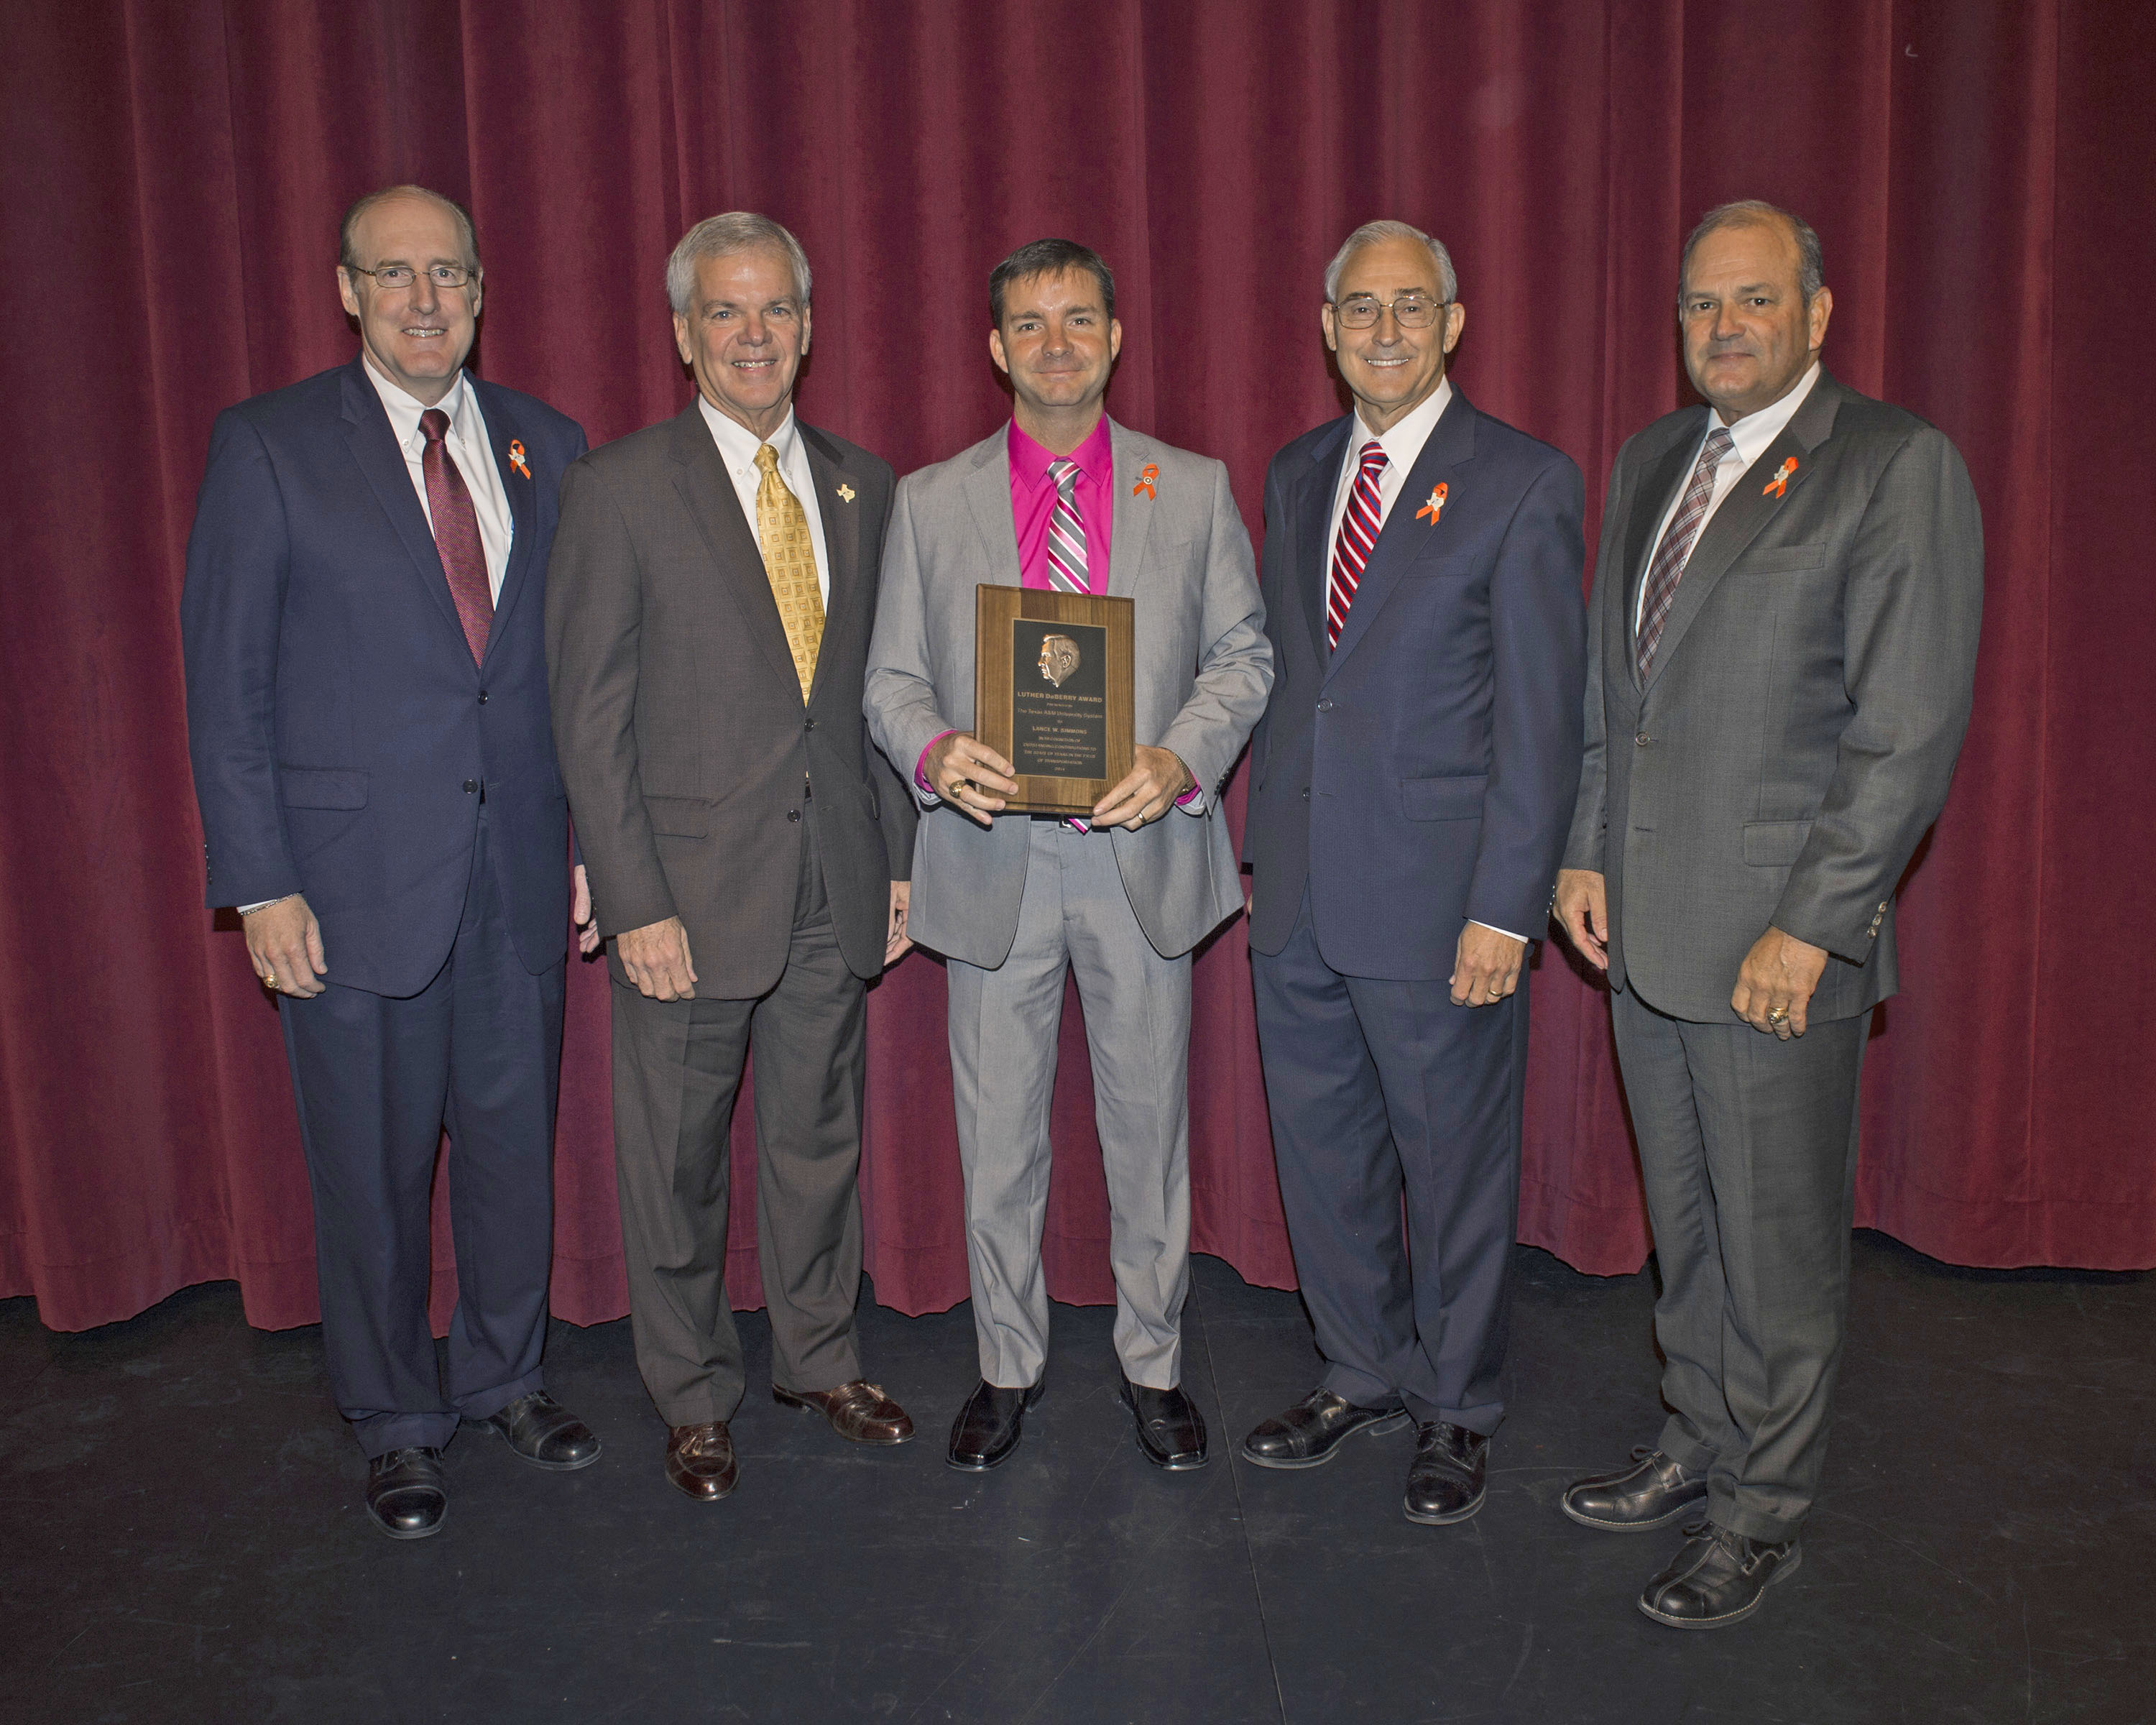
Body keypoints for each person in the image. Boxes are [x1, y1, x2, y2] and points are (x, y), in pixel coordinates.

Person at [1553, 200, 1983, 1627]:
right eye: (1700, 306)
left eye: (1752, 301)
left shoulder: (1891, 465)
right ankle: (1698, 1440)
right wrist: (1581, 852)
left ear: (1817, 309)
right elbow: (1620, 699)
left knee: (1778, 1244)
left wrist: (1816, 927)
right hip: (1642, 932)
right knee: (1690, 1227)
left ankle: (1765, 1508)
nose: (1724, 329)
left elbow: (1904, 733)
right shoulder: (1653, 458)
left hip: (1771, 950)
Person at [182, 185, 601, 1541]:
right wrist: (259, 881)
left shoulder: (550, 443)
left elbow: (576, 679)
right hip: (347, 889)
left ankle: (503, 1374)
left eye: (450, 276)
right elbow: (225, 687)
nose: (427, 301)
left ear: (483, 290)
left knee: (508, 1149)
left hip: (520, 871)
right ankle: (396, 1416)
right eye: (396, 275)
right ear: (349, 291)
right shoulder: (270, 447)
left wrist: (591, 845)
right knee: (366, 1167)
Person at [864, 239, 1273, 1473]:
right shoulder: (931, 502)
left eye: (1079, 320)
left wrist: (1185, 758)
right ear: (996, 348)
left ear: (1113, 339)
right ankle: (1006, 1363)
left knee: (1149, 1129)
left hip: (1137, 853)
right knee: (998, 1137)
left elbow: (1244, 656)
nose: (1056, 345)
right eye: (1030, 325)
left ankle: (1153, 1362)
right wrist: (935, 755)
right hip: (991, 858)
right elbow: (890, 681)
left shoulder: (1190, 490)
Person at [547, 213, 918, 1504]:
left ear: (808, 328)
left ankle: (817, 1358)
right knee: (677, 1161)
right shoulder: (618, 487)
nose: (753, 335)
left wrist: (900, 862)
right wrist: (633, 897)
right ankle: (694, 1392)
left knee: (819, 1143)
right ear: (683, 335)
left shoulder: (867, 483)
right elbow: (588, 718)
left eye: (775, 312)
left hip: (835, 883)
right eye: (725, 313)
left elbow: (875, 693)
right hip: (686, 906)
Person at [1237, 221, 1587, 1525]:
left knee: (1451, 1168)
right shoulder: (1293, 472)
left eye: (1410, 307)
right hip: (1303, 895)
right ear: (1326, 329)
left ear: (1454, 324)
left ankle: (1456, 1406)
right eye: (1359, 309)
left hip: (1444, 909)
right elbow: (1289, 680)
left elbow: (1542, 723)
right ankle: (1357, 1368)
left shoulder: (1522, 481)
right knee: (1323, 1158)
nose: (1383, 330)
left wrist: (1508, 905)